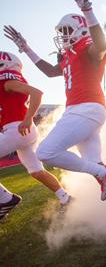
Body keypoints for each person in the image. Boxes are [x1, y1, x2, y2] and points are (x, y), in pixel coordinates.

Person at [4, 0, 106, 228]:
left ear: (79, 29)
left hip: (85, 109)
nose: (63, 35)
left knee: (46, 153)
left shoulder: (88, 48)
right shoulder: (69, 55)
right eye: (61, 31)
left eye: (66, 30)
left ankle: (103, 172)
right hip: (85, 111)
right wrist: (26, 48)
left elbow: (101, 44)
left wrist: (87, 8)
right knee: (95, 163)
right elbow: (48, 71)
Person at [0, 51, 71, 210]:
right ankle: (65, 198)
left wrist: (27, 119)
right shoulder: (10, 82)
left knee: (36, 171)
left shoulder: (7, 81)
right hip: (23, 132)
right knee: (36, 171)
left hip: (17, 130)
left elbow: (37, 93)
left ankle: (5, 199)